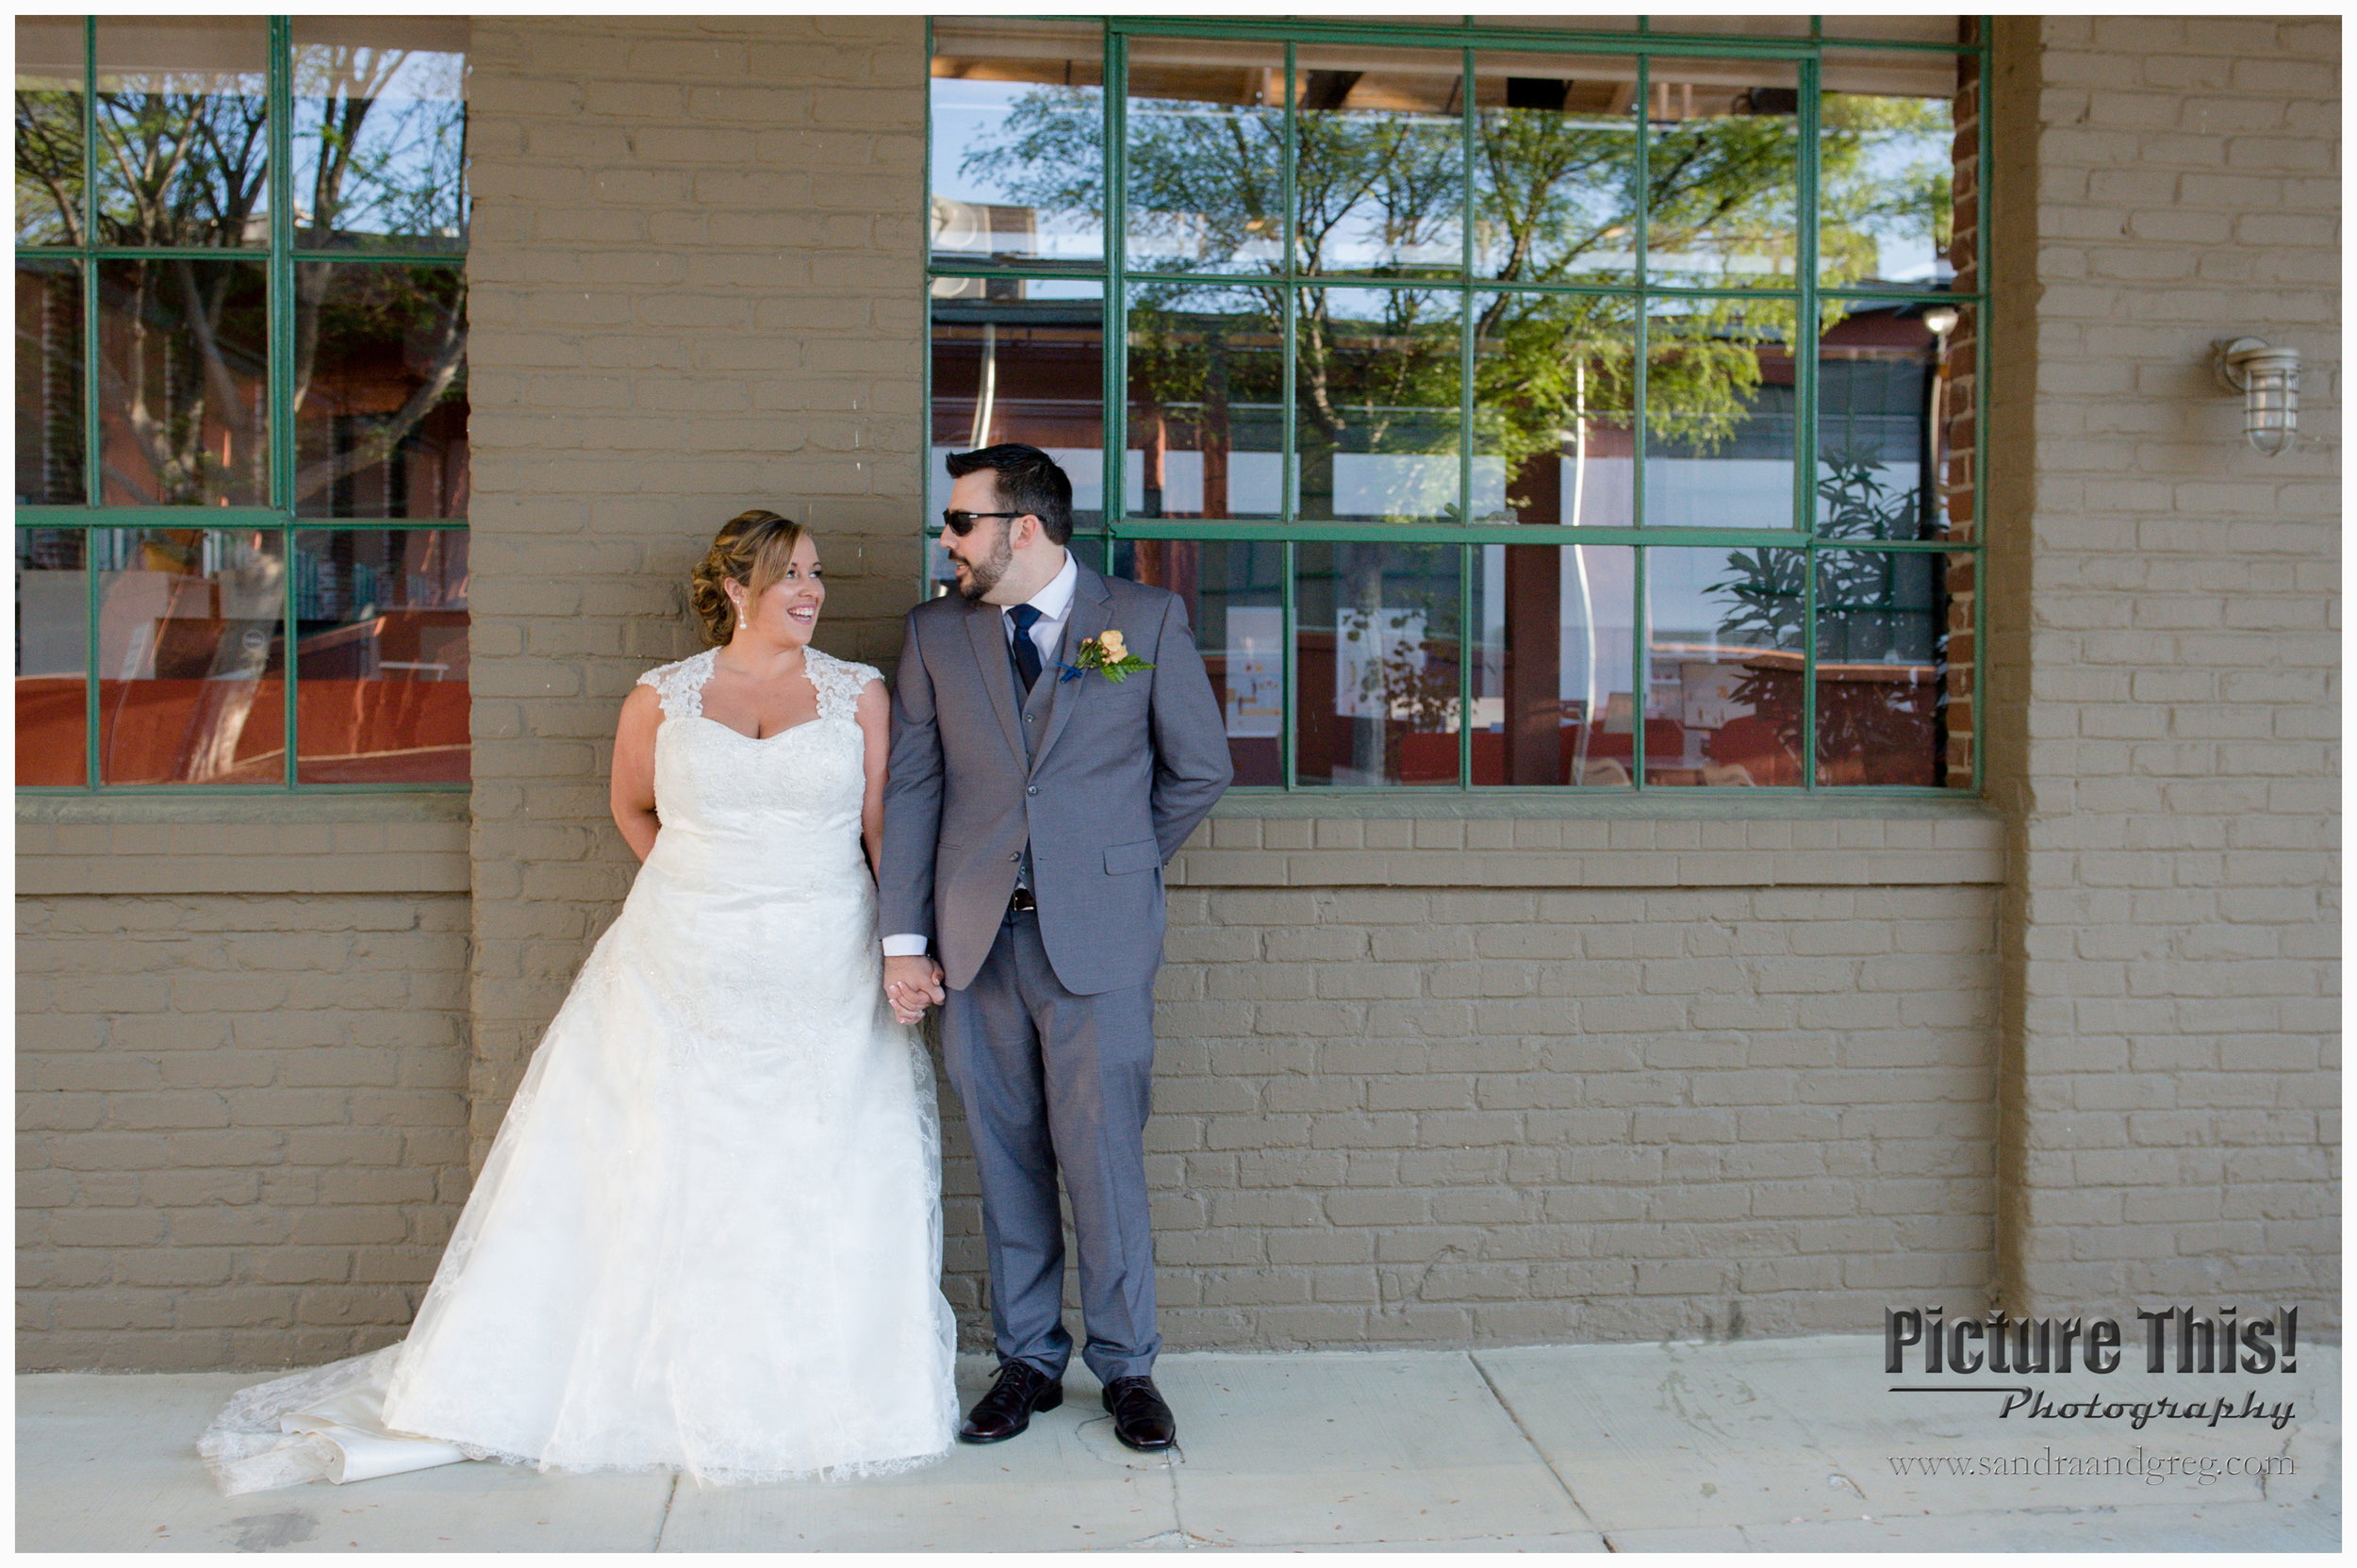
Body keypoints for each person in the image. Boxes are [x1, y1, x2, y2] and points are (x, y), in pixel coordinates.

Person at [199, 512, 958, 1494]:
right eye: (787, 577)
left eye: (815, 574)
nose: (810, 593)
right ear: (733, 588)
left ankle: (817, 1388)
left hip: (825, 960)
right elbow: (631, 808)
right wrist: (697, 883)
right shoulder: (662, 697)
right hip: (676, 962)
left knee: (822, 1162)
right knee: (659, 1160)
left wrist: (902, 947)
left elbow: (882, 826)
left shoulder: (860, 694)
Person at [879, 444, 1232, 1453]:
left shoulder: (1142, 620)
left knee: (1103, 1159)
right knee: (1006, 1158)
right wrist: (905, 934)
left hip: (1099, 943)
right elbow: (911, 789)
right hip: (976, 942)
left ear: (1020, 529)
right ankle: (1027, 1358)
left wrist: (1115, 864)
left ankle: (1127, 1367)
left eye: (959, 523)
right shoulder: (934, 633)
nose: (945, 541)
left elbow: (1197, 770)